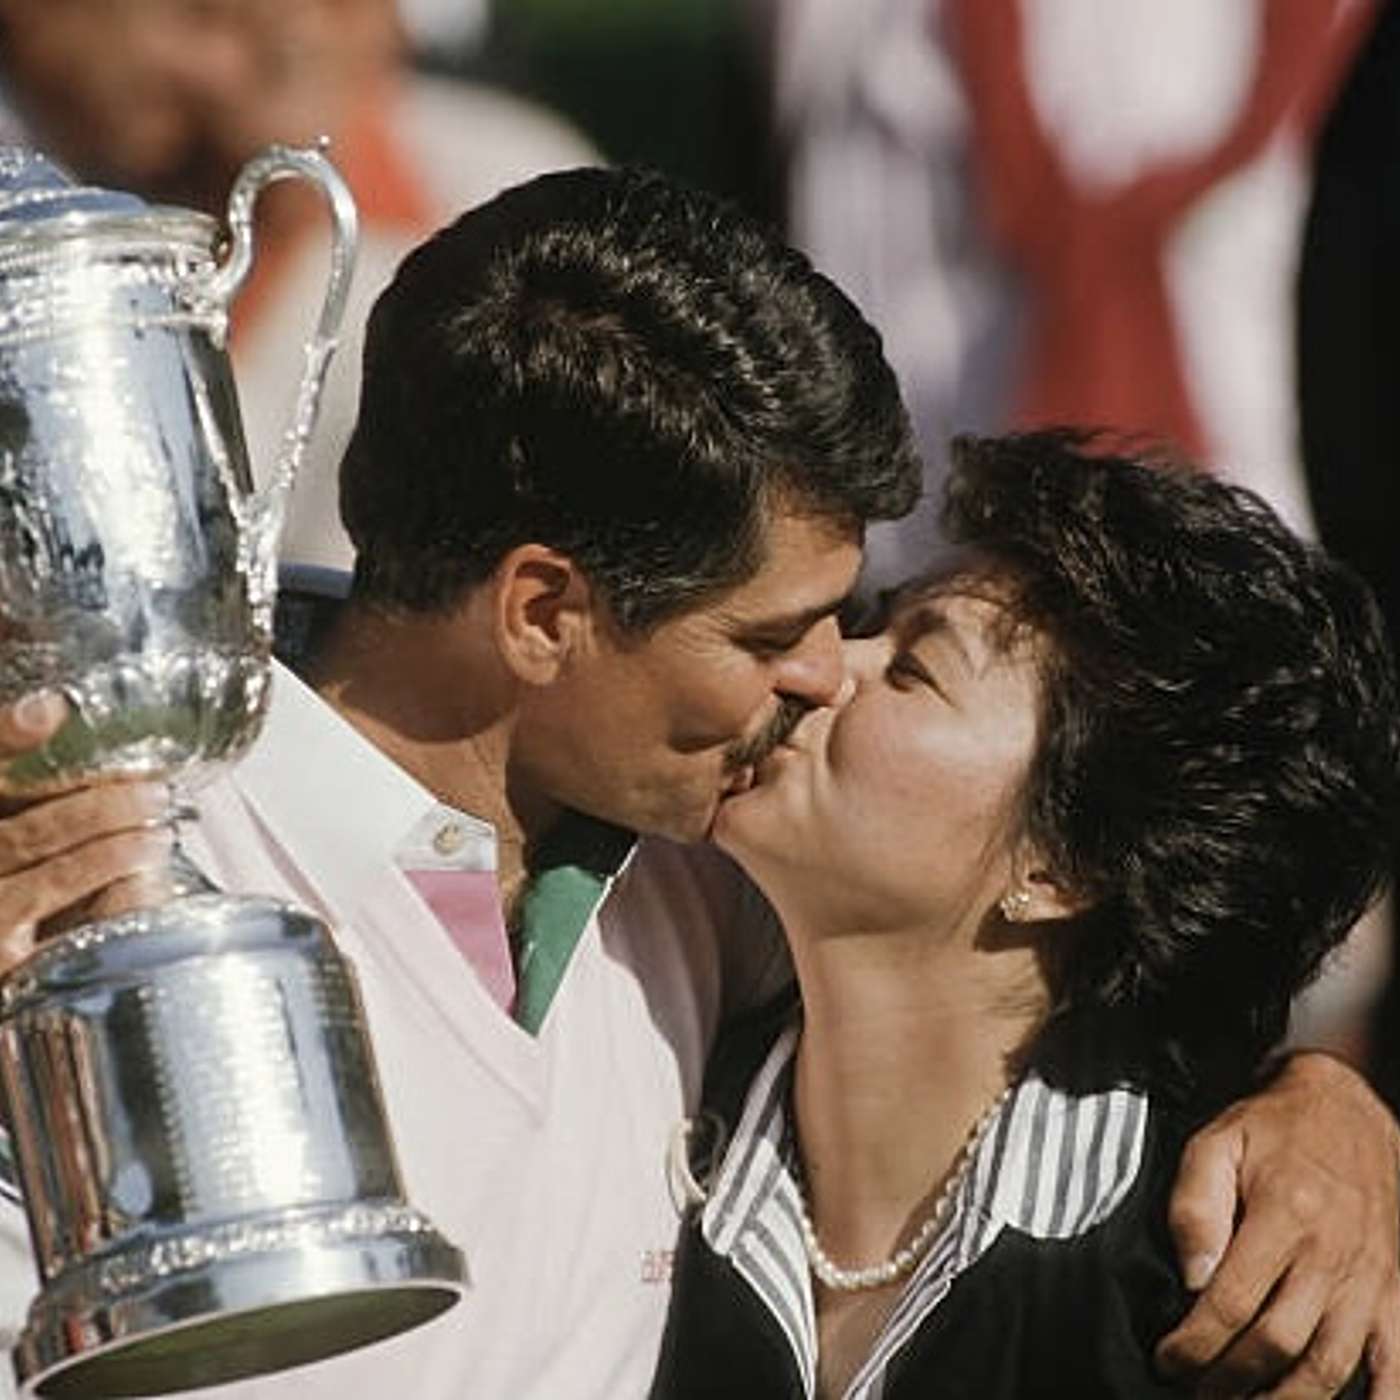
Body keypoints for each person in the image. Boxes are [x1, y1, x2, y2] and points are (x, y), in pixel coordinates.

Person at [0, 171, 1395, 1399]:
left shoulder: (708, 872)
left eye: (867, 629)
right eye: (768, 636)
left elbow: (1067, 962)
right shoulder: (90, 880)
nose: (821, 678)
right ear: (543, 613)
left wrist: (1325, 1111)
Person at [650, 430, 1400, 1398]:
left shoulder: (1224, 1288)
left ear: (1065, 867)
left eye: (915, 670)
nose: (824, 664)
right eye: (876, 622)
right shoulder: (654, 1086)